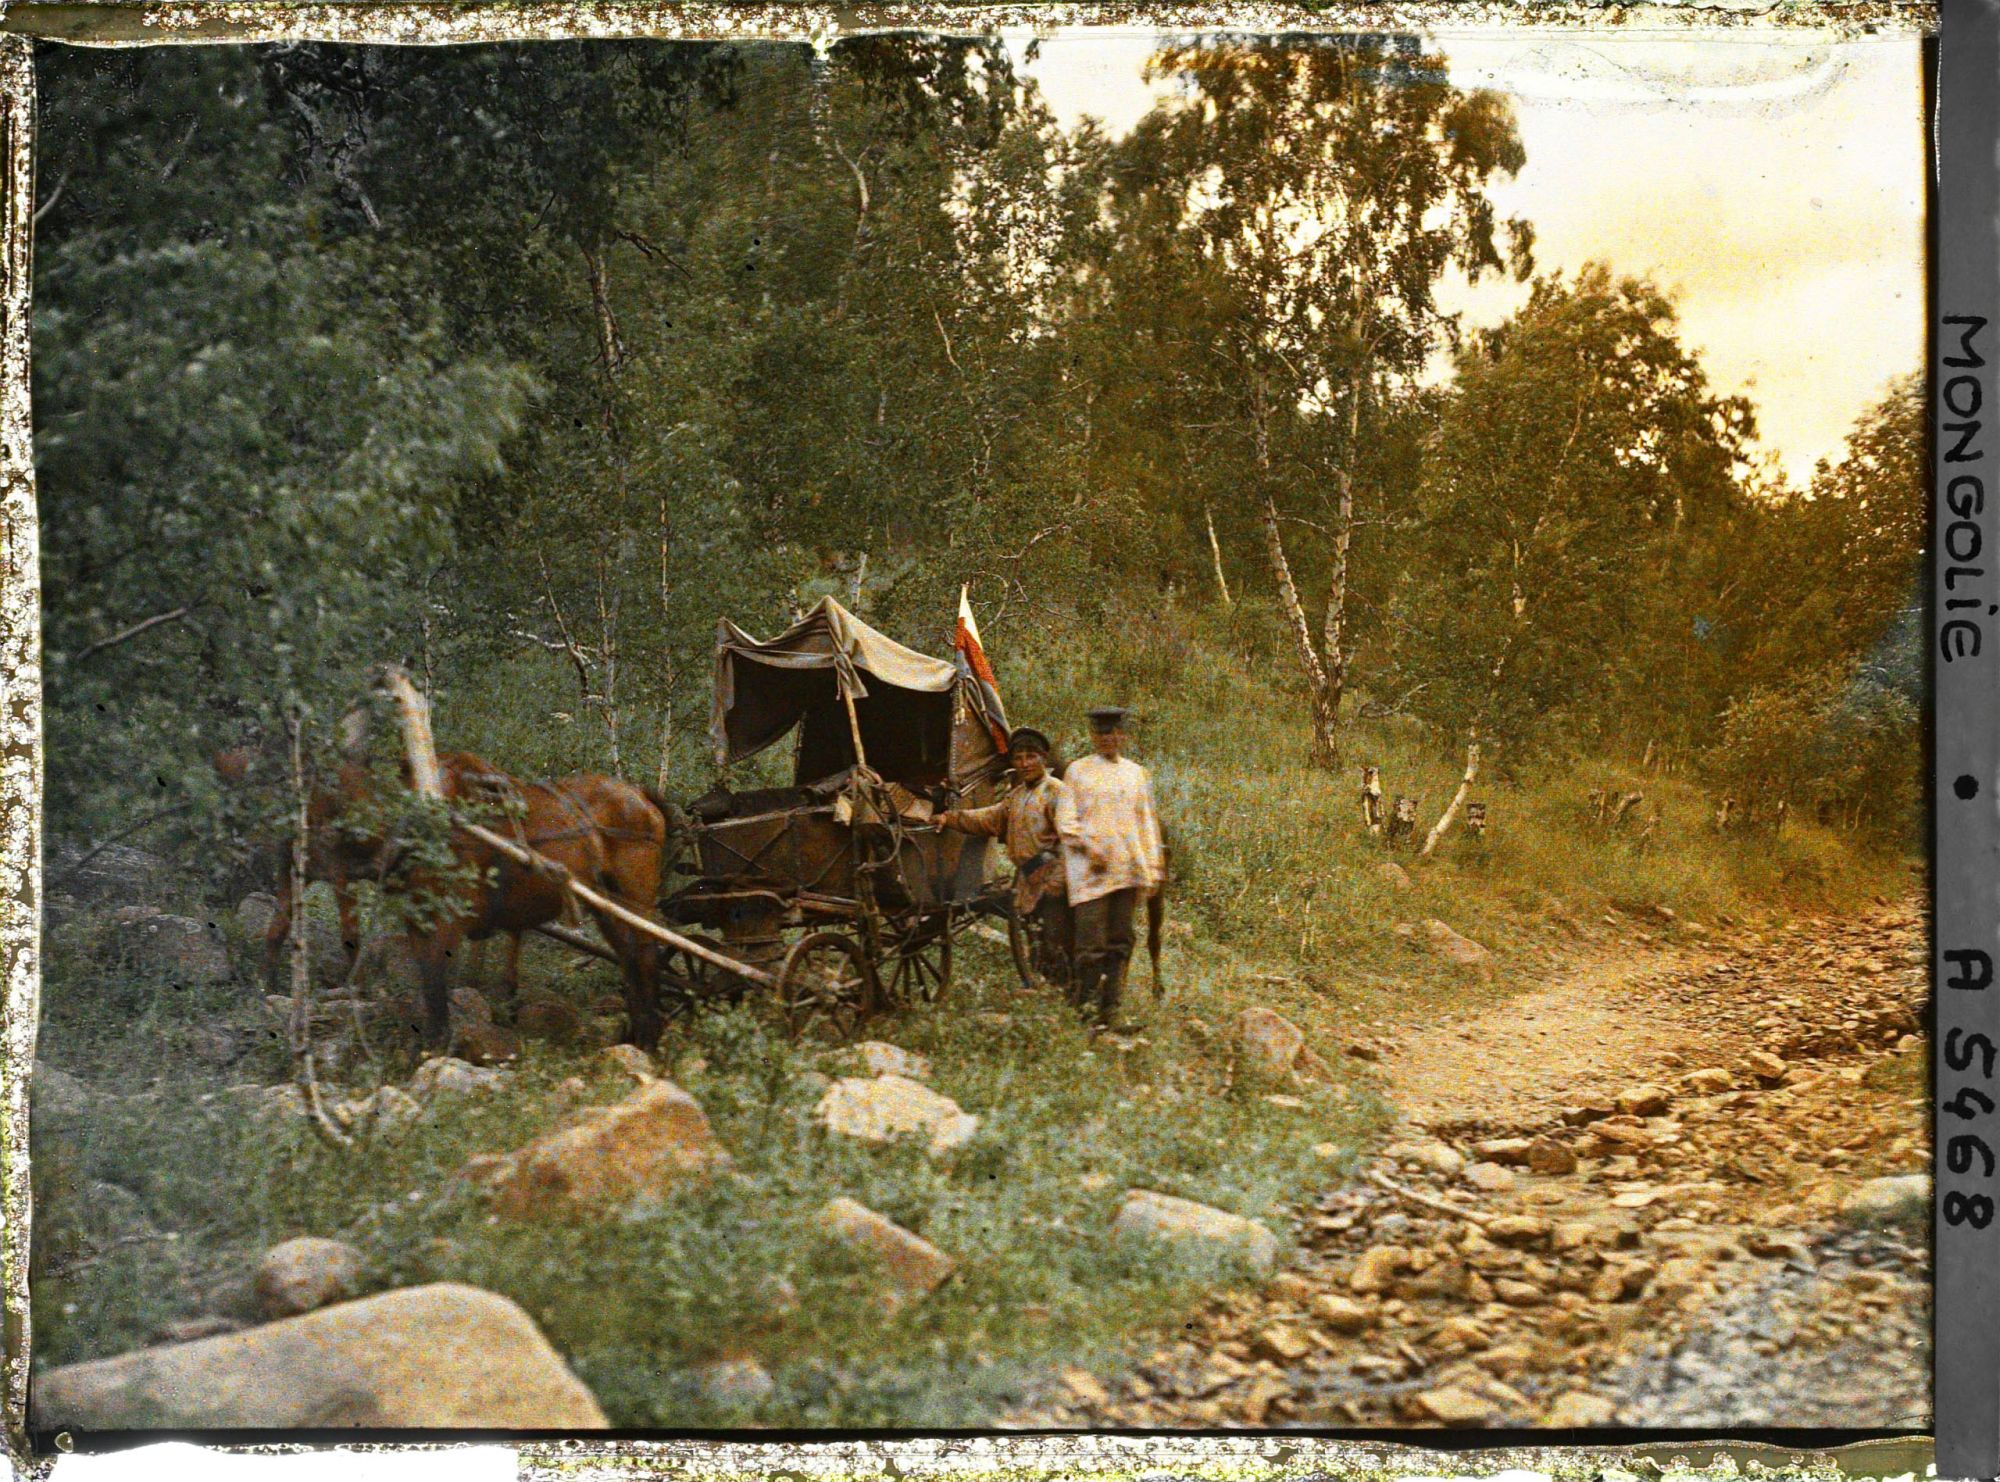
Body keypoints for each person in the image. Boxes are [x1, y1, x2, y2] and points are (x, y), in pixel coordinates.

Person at [934, 727, 1071, 989]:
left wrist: (1059, 880)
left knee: (1055, 938)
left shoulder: (1057, 792)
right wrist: (949, 818)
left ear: (1043, 757)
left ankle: (1065, 999)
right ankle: (1043, 994)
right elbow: (989, 818)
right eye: (1018, 758)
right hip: (1028, 878)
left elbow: (1070, 840)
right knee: (1035, 939)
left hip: (1053, 877)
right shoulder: (1016, 797)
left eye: (1031, 757)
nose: (1025, 764)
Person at [1055, 706, 1166, 1029]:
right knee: (1090, 945)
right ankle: (1086, 1013)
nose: (1108, 739)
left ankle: (1112, 1010)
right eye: (1101, 733)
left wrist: (1153, 867)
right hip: (1090, 873)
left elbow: (1146, 823)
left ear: (1123, 736)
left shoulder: (1136, 774)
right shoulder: (1077, 772)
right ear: (1093, 736)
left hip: (1127, 871)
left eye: (1114, 733)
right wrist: (1091, 848)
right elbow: (1066, 821)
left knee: (1121, 941)